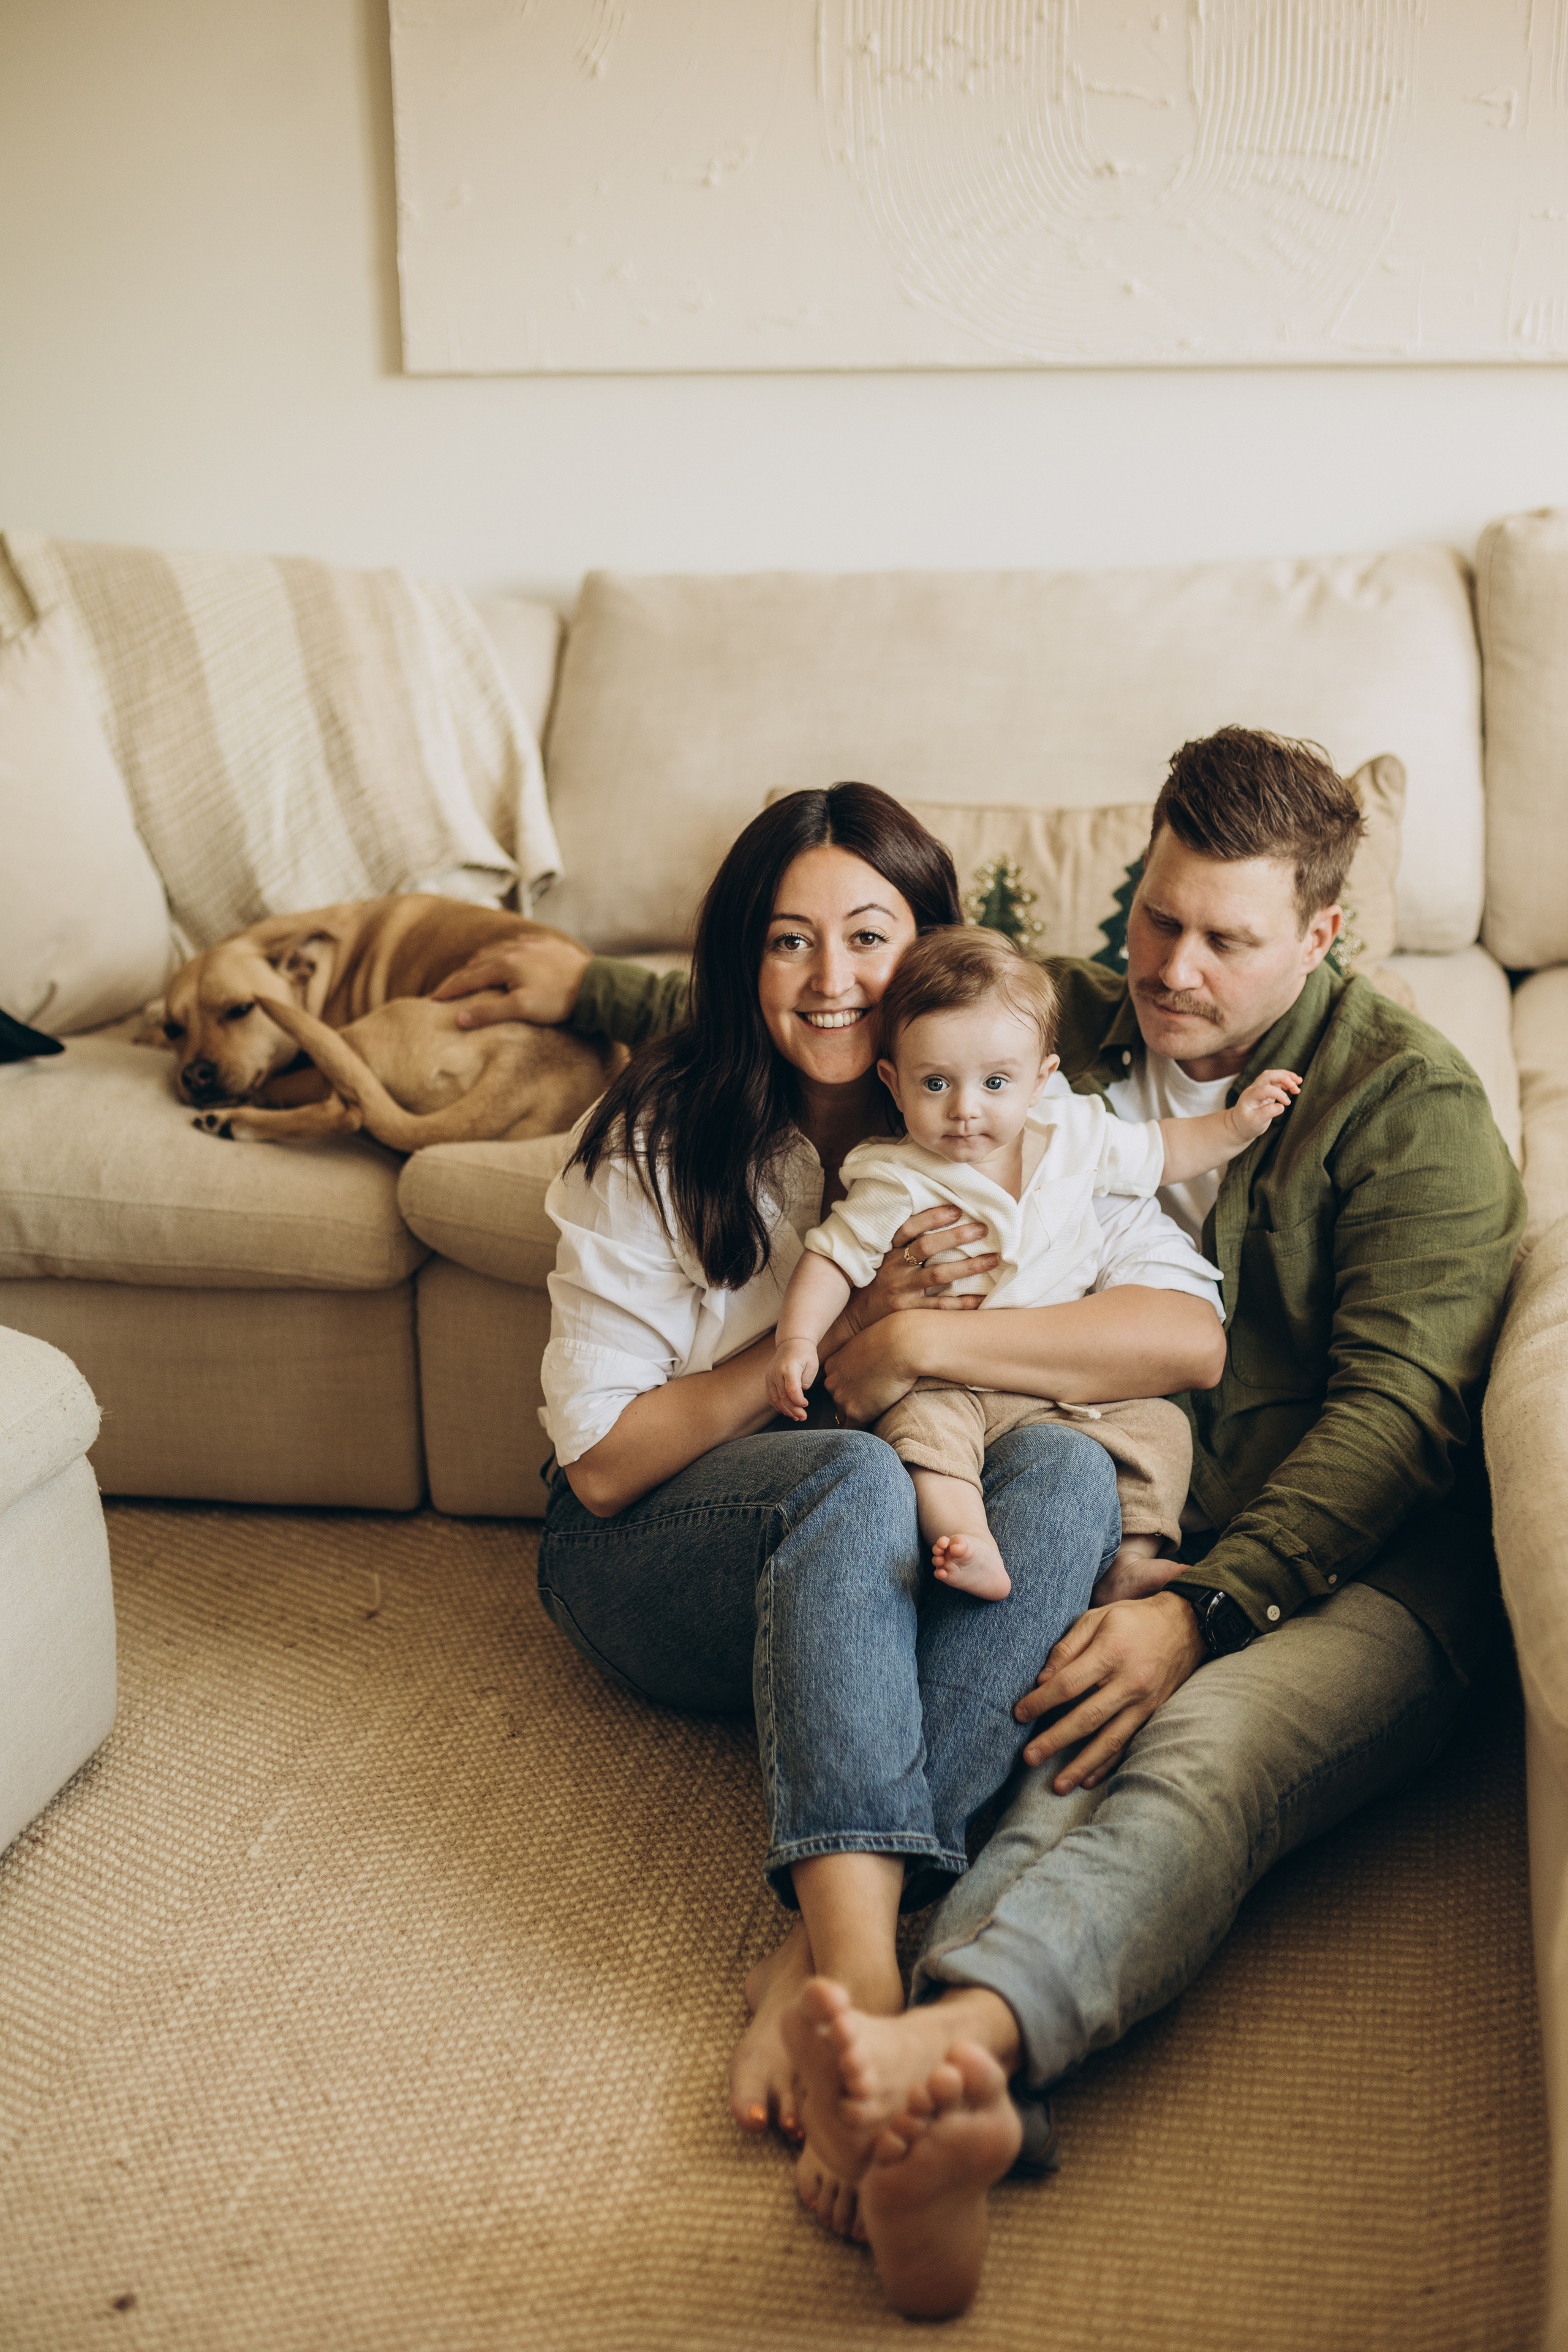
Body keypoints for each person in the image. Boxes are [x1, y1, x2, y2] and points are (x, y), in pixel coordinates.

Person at [493, 780, 1227, 2318]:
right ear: (738, 959)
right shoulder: (651, 1136)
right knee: (842, 1475)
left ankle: (819, 1957)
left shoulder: (1014, 1114)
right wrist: (845, 1342)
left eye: (867, 936)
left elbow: (1176, 1333)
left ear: (927, 959)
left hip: (881, 1546)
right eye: (786, 940)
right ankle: (864, 1984)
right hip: (653, 1554)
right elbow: (606, 1462)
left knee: (1060, 1479)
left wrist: (936, 1329)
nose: (828, 978)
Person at [767, 925, 1297, 1601]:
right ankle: (964, 1540)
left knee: (1161, 1426)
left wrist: (1236, 1125)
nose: (964, 1110)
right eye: (935, 1084)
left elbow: (1161, 1153)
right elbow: (830, 1260)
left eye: (994, 1082)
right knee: (921, 1432)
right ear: (892, 1084)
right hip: (946, 1382)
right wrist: (797, 1341)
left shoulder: (1073, 1134)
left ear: (1040, 1079)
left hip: (1057, 1382)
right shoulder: (896, 1176)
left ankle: (1130, 1557)